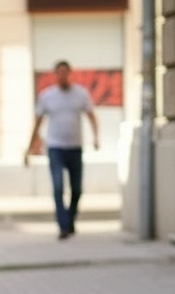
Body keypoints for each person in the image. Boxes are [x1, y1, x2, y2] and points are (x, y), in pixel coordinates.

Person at [26, 60, 100, 240]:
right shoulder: (47, 96)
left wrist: (96, 137)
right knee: (58, 187)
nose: (62, 76)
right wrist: (30, 147)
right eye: (59, 73)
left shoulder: (80, 94)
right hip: (55, 148)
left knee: (76, 189)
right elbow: (38, 123)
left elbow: (91, 116)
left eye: (65, 73)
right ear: (55, 74)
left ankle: (70, 219)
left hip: (75, 147)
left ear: (70, 73)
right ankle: (63, 226)